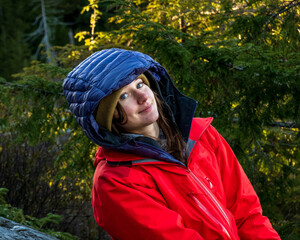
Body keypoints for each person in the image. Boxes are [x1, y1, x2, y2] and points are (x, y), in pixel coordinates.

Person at [63, 48, 281, 239]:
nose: (142, 96)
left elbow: (247, 213)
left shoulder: (201, 134)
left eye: (140, 83)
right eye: (123, 96)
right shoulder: (116, 183)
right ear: (108, 118)